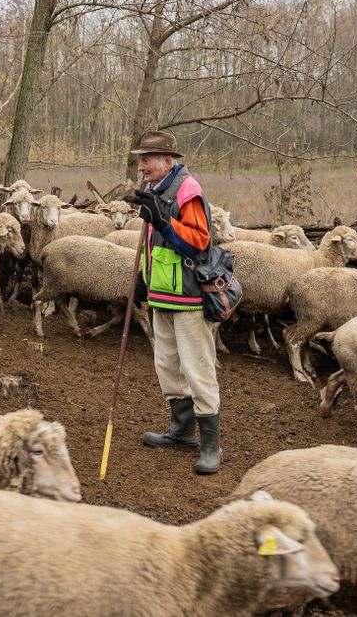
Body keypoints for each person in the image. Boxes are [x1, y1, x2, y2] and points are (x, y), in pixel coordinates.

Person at [123, 130, 221, 474]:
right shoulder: (154, 189)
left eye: (146, 159)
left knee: (197, 368)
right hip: (162, 293)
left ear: (168, 161)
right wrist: (142, 280)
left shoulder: (187, 191)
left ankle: (211, 445)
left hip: (190, 295)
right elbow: (154, 244)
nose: (141, 166)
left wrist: (163, 221)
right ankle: (182, 432)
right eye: (140, 159)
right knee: (167, 364)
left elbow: (197, 242)